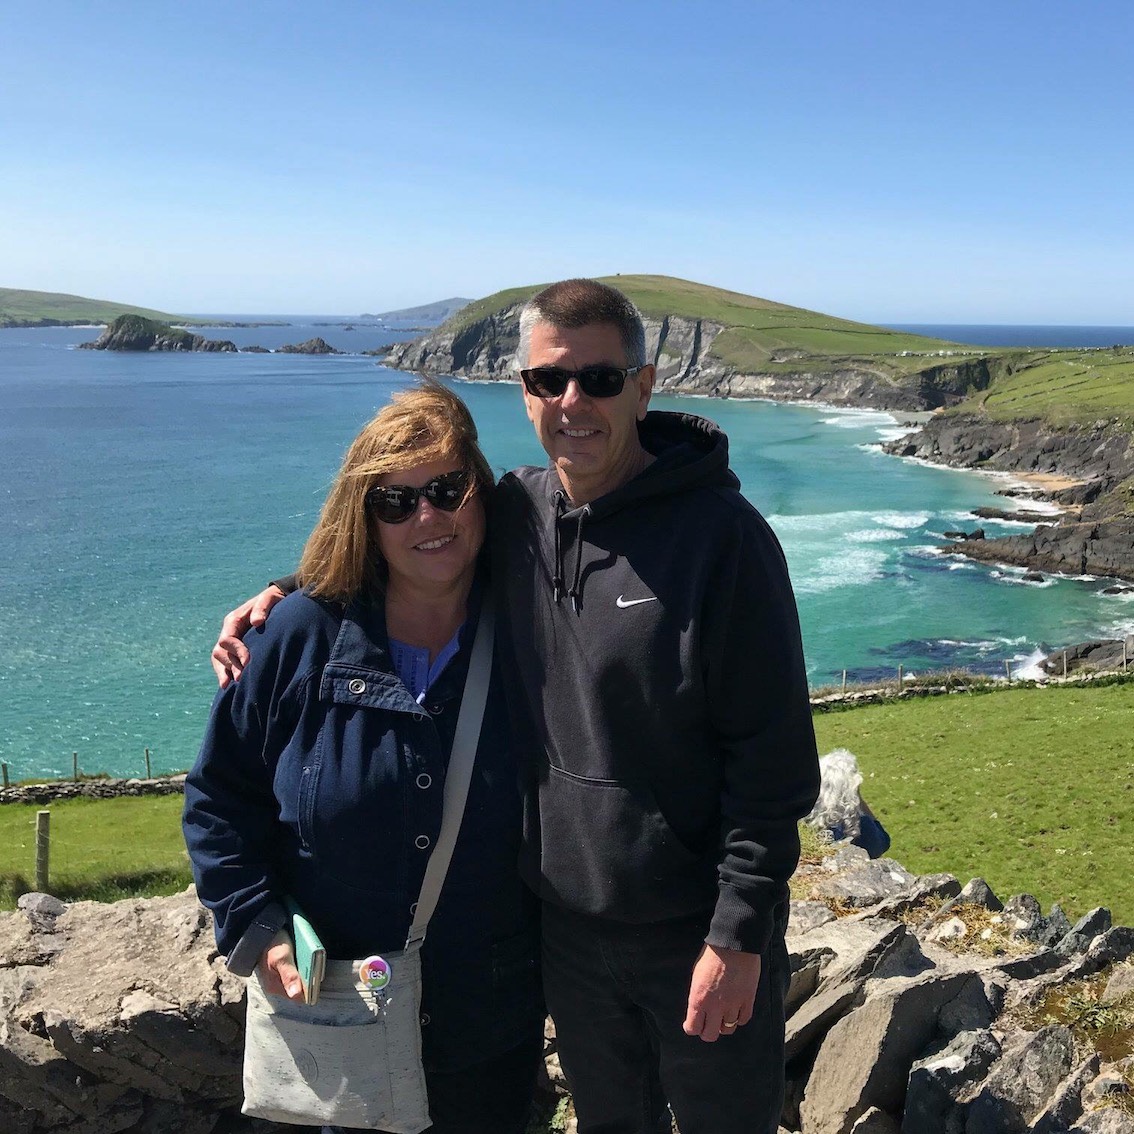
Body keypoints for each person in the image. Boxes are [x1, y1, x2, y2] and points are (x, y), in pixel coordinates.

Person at [214, 280, 820, 1134]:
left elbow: (772, 762)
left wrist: (738, 934)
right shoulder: (517, 513)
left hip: (691, 928)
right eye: (547, 382)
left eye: (600, 380)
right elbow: (407, 532)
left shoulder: (726, 543)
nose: (573, 402)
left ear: (644, 387)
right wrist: (287, 597)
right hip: (566, 934)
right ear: (524, 390)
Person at [185, 381, 544, 1134]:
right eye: (395, 502)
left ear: (481, 493)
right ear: (366, 520)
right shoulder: (298, 637)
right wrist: (256, 926)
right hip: (327, 1017)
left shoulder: (537, 628)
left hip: (485, 1028)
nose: (427, 517)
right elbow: (221, 799)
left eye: (447, 489)